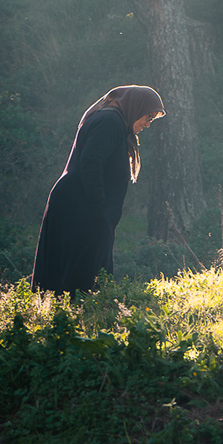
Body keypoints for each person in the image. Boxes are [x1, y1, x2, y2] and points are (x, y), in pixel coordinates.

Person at [31, 86, 165, 293]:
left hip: (82, 205)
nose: (148, 124)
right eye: (147, 117)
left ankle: (76, 314)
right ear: (135, 107)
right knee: (84, 268)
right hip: (79, 206)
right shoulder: (109, 122)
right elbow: (91, 163)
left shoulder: (116, 123)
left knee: (84, 267)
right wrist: (98, 207)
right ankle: (77, 316)